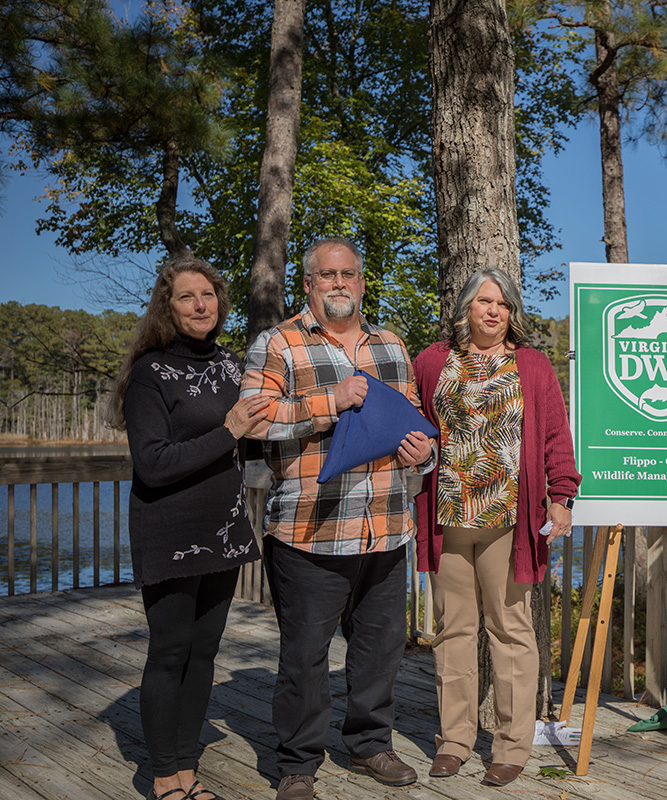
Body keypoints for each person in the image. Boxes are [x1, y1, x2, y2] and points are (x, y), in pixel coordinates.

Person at [239, 238, 435, 800]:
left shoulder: (392, 346)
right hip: (309, 530)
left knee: (381, 648)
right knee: (304, 655)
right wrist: (332, 400)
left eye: (349, 274)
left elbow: (412, 423)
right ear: (308, 284)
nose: (339, 283)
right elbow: (252, 420)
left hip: (386, 526)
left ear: (363, 283)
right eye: (327, 276)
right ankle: (299, 762)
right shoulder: (278, 343)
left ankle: (371, 743)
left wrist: (425, 454)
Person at [412, 268, 581, 787]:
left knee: (510, 629)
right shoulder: (431, 361)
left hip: (510, 516)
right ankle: (456, 740)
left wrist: (561, 496)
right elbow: (414, 423)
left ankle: (511, 745)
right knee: (453, 629)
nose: (493, 311)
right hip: (446, 514)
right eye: (484, 301)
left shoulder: (530, 365)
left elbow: (554, 432)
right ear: (466, 307)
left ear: (512, 313)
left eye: (502, 304)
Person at [110, 255, 269, 800]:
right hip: (170, 529)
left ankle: (186, 769)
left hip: (223, 527)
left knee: (205, 653)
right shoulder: (149, 374)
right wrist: (229, 430)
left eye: (208, 295)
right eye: (187, 297)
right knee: (170, 650)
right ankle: (162, 777)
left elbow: (248, 439)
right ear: (167, 308)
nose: (202, 305)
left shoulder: (229, 366)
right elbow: (153, 463)